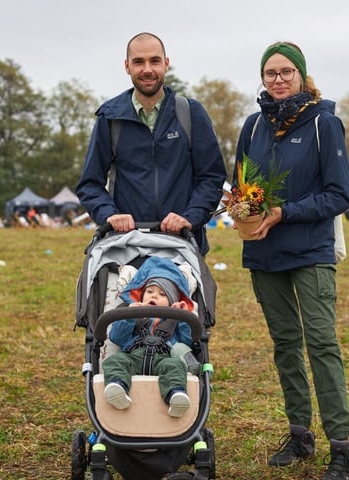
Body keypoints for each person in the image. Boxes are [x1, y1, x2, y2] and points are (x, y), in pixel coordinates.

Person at [232, 41, 349, 479]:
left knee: (321, 344)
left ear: (302, 75)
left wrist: (285, 212)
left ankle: (341, 447)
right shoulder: (252, 126)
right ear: (262, 79)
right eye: (270, 73)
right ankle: (300, 435)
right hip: (263, 252)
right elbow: (240, 185)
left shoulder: (324, 123)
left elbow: (340, 195)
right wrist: (242, 211)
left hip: (310, 251)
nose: (278, 79)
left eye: (286, 72)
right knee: (285, 345)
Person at [76, 32, 226, 255]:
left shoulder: (190, 113)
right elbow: (89, 183)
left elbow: (212, 177)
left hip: (182, 245)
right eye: (138, 62)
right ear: (127, 67)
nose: (147, 69)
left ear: (166, 64)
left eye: (154, 61)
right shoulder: (110, 117)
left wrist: (189, 217)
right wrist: (110, 215)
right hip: (126, 246)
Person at [102, 256, 196, 418]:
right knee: (114, 361)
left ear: (172, 301)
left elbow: (188, 341)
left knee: (174, 366)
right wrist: (129, 315)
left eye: (162, 294)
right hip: (134, 356)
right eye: (150, 292)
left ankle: (176, 394)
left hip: (163, 357)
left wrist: (182, 317)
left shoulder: (174, 319)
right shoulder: (133, 313)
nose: (154, 296)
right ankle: (118, 386)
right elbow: (117, 337)